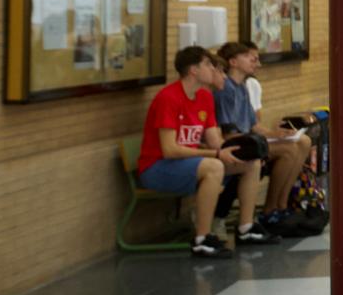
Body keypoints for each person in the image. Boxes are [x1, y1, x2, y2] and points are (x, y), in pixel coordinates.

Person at [136, 46, 274, 258]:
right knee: (214, 166)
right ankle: (202, 239)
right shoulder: (168, 98)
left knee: (250, 163)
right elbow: (170, 150)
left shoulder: (204, 97)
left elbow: (215, 142)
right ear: (193, 70)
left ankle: (245, 228)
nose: (214, 68)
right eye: (208, 64)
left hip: (187, 163)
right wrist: (217, 155)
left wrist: (240, 151)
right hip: (157, 167)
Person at [215, 42, 320, 238]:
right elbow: (229, 133)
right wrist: (266, 137)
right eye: (250, 58)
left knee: (303, 142)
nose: (256, 63)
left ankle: (282, 204)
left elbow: (254, 125)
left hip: (249, 139)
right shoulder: (226, 89)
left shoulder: (243, 87)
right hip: (237, 143)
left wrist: (275, 134)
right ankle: (271, 209)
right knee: (288, 151)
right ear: (234, 62)